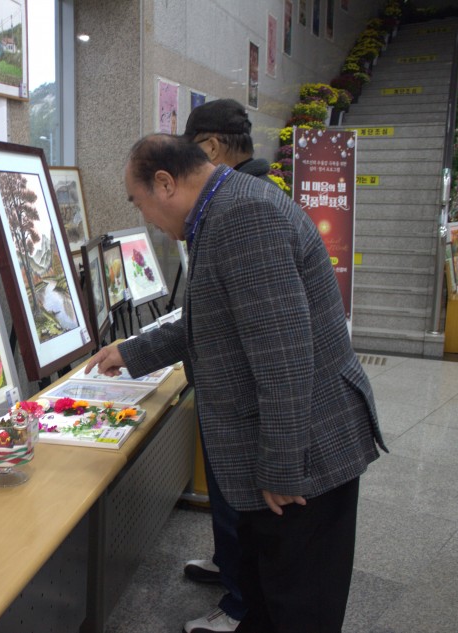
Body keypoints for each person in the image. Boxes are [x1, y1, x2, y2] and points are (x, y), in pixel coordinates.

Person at [85, 134, 386, 633]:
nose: (147, 220)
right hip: (287, 447)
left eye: (138, 203)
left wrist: (283, 468)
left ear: (165, 183)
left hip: (307, 457)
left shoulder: (244, 217)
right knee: (267, 592)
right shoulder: (223, 208)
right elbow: (211, 317)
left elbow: (284, 356)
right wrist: (129, 352)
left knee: (299, 605)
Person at [176, 98, 276, 633]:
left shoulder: (241, 208)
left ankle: (239, 604)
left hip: (243, 402)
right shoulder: (237, 196)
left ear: (211, 148)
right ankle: (228, 566)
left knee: (240, 502)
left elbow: (278, 347)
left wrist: (283, 461)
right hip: (226, 396)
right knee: (227, 499)